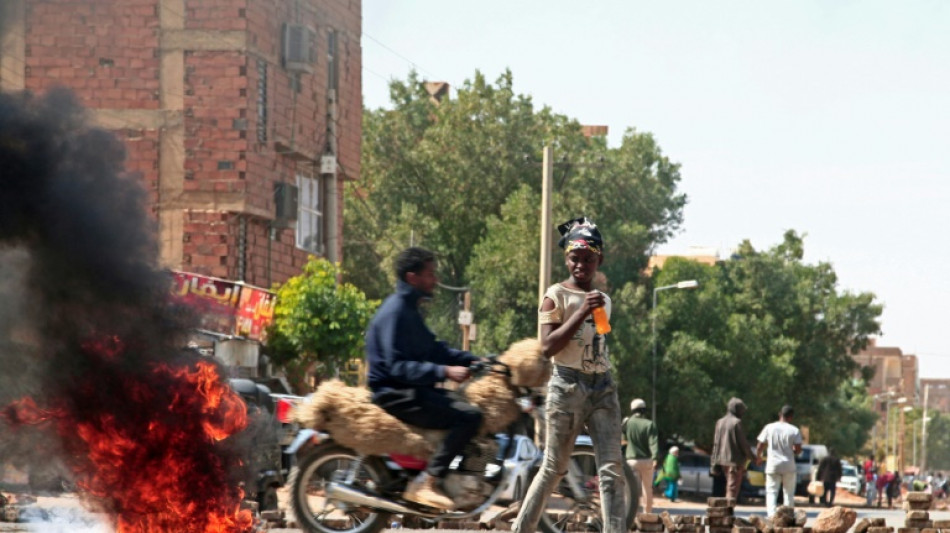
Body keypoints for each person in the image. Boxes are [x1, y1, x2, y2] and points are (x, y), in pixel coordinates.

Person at [513, 217, 626, 533]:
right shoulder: (555, 296)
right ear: (567, 259)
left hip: (602, 387)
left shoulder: (604, 300)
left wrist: (592, 311)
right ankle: (521, 529)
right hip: (567, 386)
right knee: (554, 467)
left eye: (589, 259)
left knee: (612, 470)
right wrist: (580, 312)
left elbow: (598, 341)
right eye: (575, 258)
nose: (581, 264)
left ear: (598, 260)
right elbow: (547, 347)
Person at [366, 247, 482, 510]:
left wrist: (474, 359)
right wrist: (444, 372)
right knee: (470, 416)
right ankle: (427, 482)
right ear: (412, 277)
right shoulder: (396, 312)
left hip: (410, 390)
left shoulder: (409, 309)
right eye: (430, 274)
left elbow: (434, 350)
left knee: (466, 404)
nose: (435, 279)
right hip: (396, 394)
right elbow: (396, 367)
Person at [755, 405, 803, 518]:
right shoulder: (794, 430)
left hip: (773, 465)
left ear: (780, 414)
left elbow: (760, 445)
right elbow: (798, 449)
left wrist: (759, 457)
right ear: (791, 417)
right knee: (788, 493)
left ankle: (771, 516)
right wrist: (794, 451)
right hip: (789, 465)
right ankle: (788, 517)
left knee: (772, 492)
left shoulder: (769, 427)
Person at [711, 397, 756, 501]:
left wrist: (713, 463)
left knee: (729, 487)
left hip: (722, 460)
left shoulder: (720, 422)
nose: (743, 413)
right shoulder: (736, 423)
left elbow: (716, 444)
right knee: (732, 489)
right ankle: (728, 513)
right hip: (734, 462)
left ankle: (727, 511)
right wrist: (753, 458)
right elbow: (743, 444)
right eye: (741, 410)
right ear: (736, 409)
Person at [623, 398, 659, 512]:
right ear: (644, 410)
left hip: (631, 461)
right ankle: (647, 513)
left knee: (629, 489)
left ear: (632, 409)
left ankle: (628, 513)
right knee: (647, 489)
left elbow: (623, 441)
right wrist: (655, 458)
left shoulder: (627, 423)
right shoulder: (650, 424)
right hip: (647, 460)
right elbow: (653, 443)